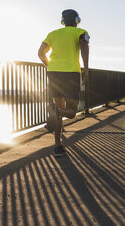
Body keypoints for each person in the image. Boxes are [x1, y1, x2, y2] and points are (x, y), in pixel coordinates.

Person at [38, 9, 90, 157]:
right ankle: (56, 112)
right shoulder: (80, 31)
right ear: (76, 20)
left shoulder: (52, 34)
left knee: (58, 108)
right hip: (71, 73)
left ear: (63, 21)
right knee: (72, 112)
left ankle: (57, 146)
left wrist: (50, 66)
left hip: (53, 73)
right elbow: (84, 46)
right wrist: (86, 69)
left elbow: (40, 53)